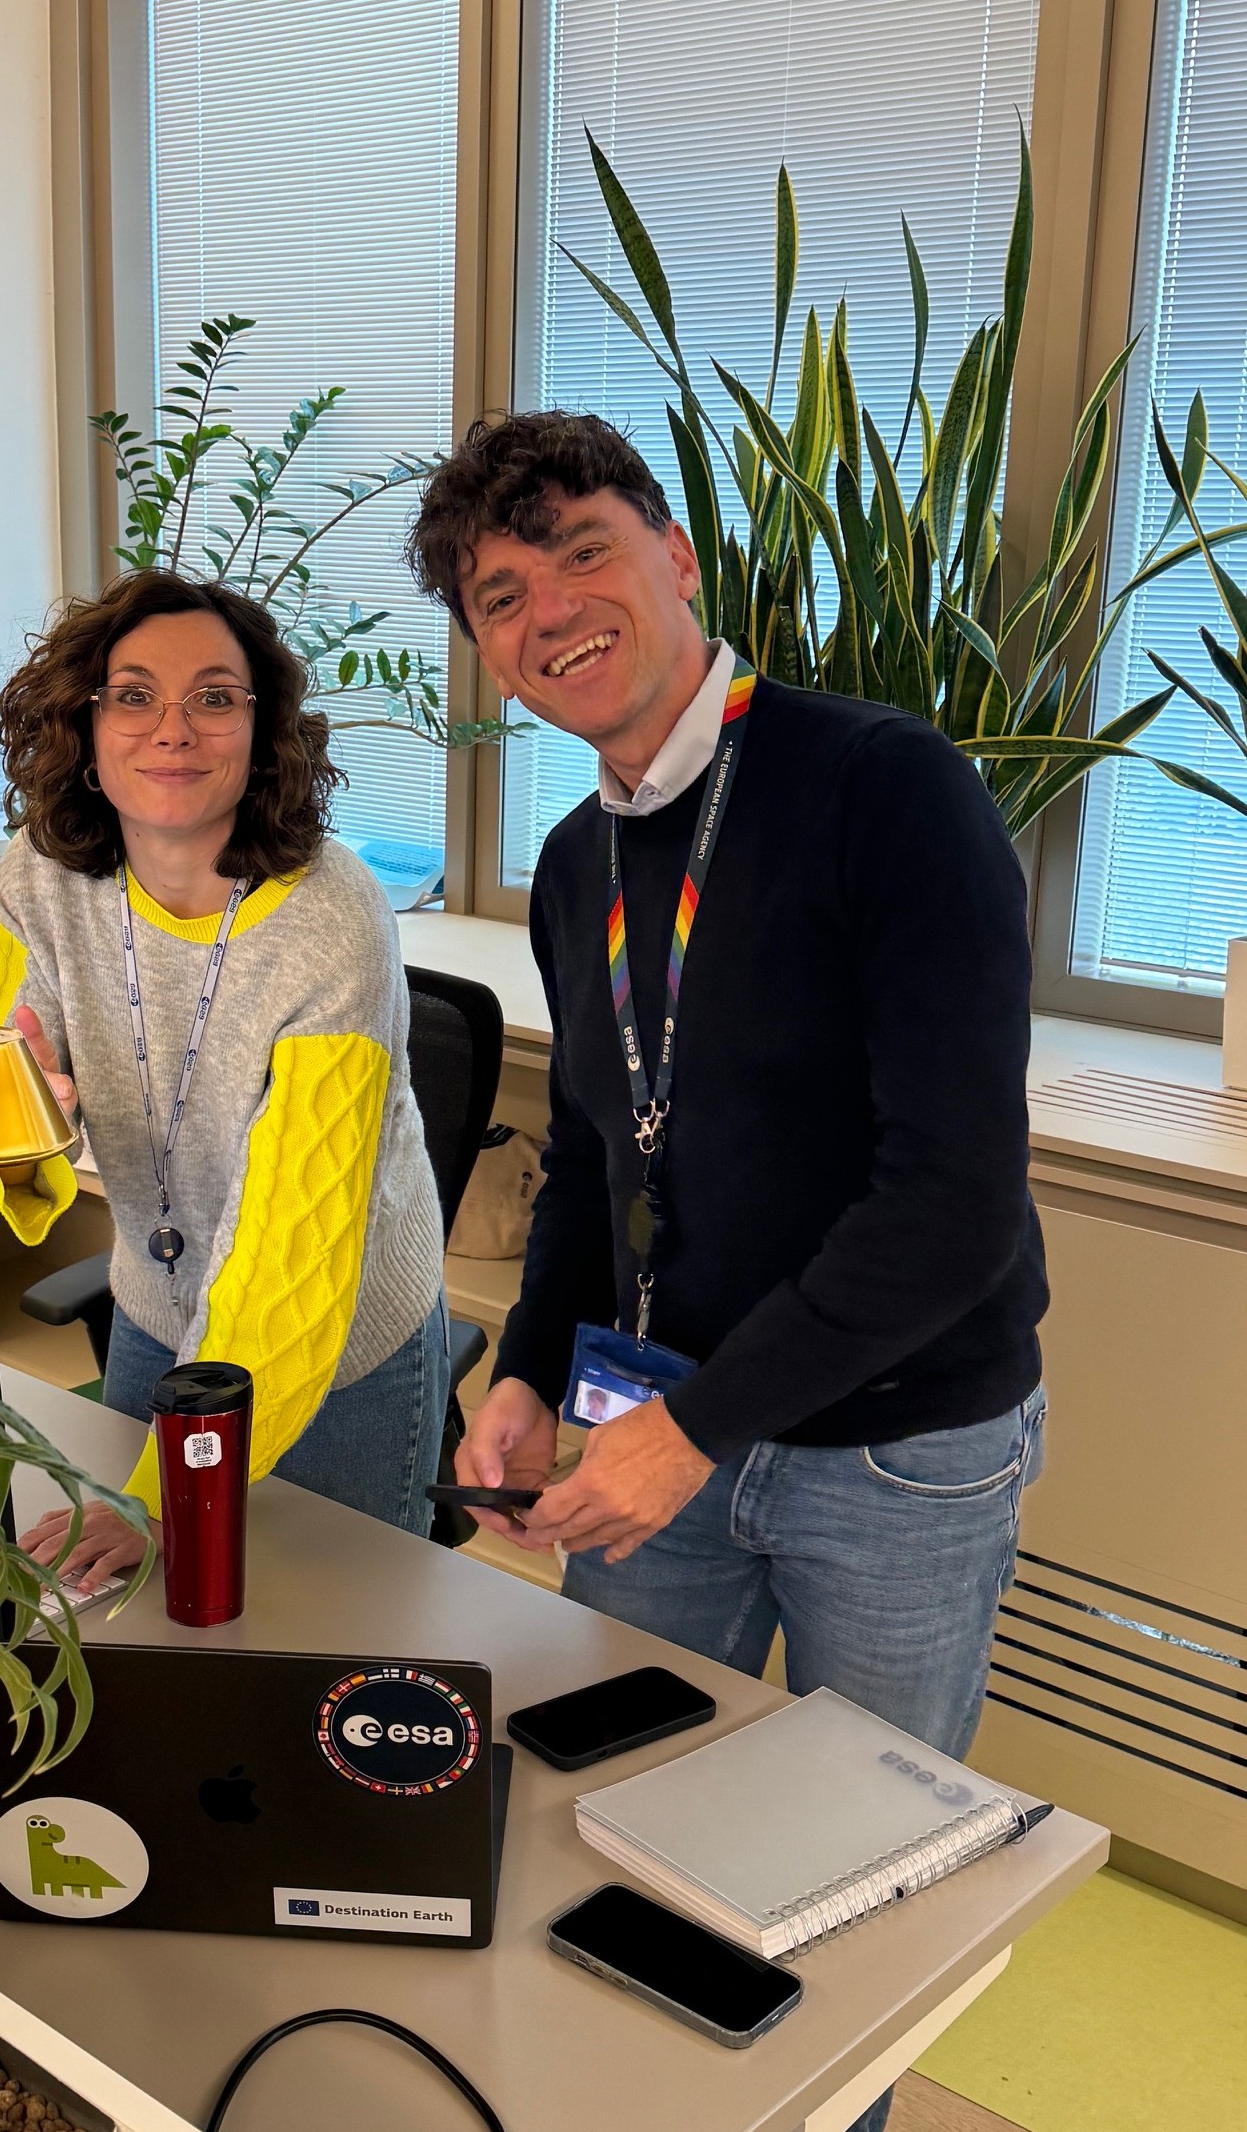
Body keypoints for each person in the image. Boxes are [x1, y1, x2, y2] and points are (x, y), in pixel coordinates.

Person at [408, 412, 1046, 2132]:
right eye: (499, 595)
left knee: (856, 1876)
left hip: (890, 1453)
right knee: (619, 1822)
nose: (549, 611)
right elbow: (595, 1154)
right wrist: (525, 1371)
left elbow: (953, 1203)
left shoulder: (885, 789)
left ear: (677, 557)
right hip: (661, 1432)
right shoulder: (577, 863)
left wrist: (692, 1429)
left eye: (583, 552)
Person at [0, 569, 448, 1585]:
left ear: (262, 730)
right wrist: (17, 1133)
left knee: (336, 1623)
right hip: (155, 1300)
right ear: (85, 724)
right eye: (134, 695)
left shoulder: (331, 919)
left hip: (340, 1332)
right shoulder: (37, 878)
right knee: (141, 1611)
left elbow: (290, 1257)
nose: (172, 730)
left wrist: (155, 1496)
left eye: (214, 698)